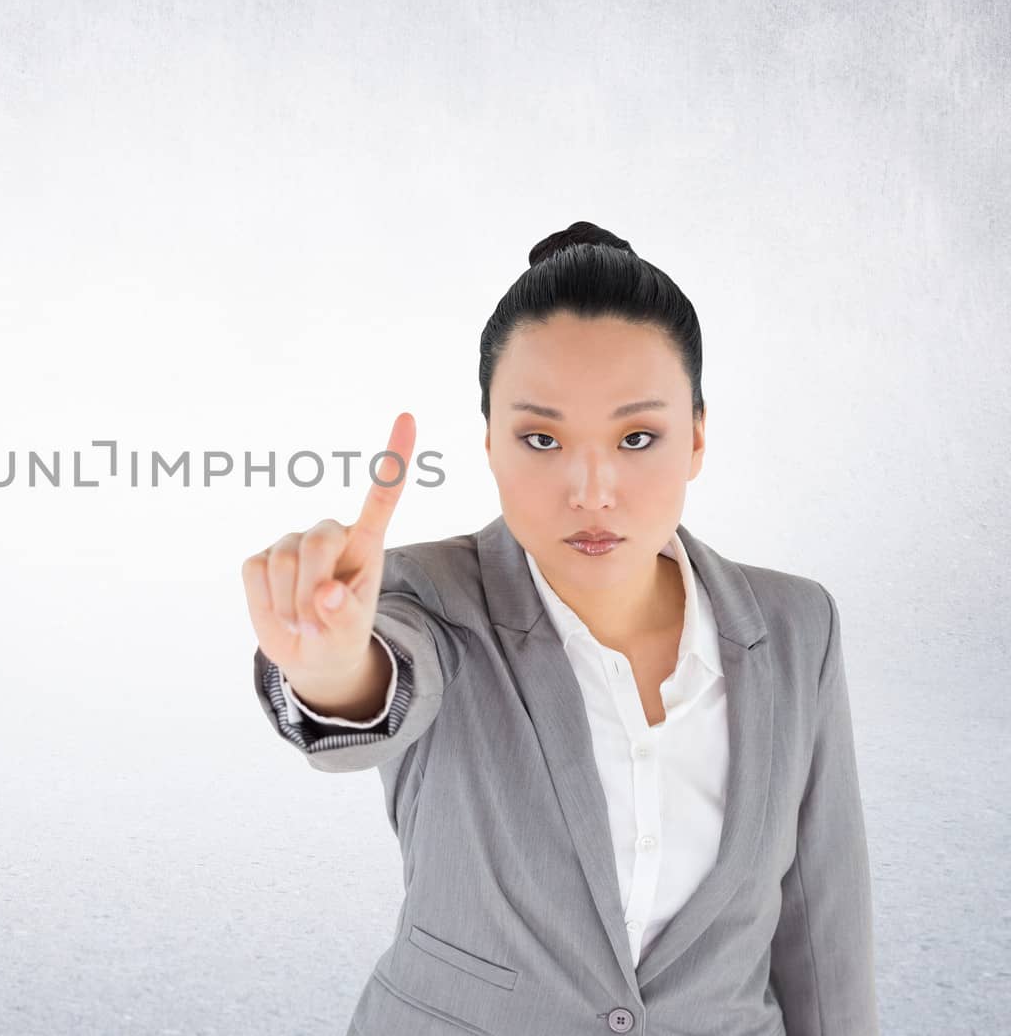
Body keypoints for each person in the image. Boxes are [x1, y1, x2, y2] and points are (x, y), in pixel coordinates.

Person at [241, 221, 878, 1035]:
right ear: (491, 446)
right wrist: (329, 667)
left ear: (698, 438)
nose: (591, 488)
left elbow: (824, 939)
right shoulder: (428, 595)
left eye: (637, 436)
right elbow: (380, 680)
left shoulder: (796, 627)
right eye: (541, 438)